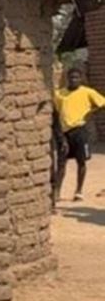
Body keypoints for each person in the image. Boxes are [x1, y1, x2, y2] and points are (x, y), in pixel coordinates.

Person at [54, 67, 105, 201]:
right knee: (61, 163)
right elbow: (56, 114)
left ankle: (78, 191)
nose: (74, 80)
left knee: (81, 162)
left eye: (76, 77)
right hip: (64, 133)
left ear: (81, 79)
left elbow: (102, 103)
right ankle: (57, 191)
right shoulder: (59, 94)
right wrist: (60, 134)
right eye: (71, 77)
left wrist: (90, 113)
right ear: (67, 79)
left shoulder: (88, 92)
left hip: (80, 131)